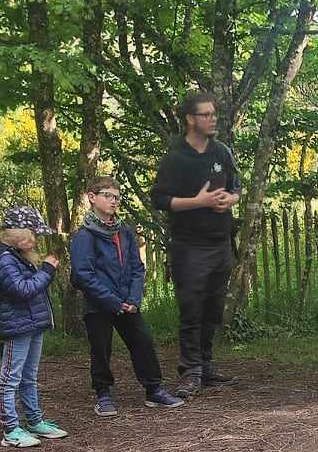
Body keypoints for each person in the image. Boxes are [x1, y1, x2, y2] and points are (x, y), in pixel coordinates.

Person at [150, 91, 241, 400]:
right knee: (191, 308)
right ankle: (190, 371)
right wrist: (197, 202)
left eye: (214, 114)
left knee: (213, 309)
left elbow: (235, 185)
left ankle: (205, 365)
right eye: (206, 114)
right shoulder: (176, 157)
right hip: (190, 245)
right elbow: (159, 199)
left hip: (220, 242)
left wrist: (231, 199)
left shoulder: (222, 152)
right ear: (190, 119)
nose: (212, 119)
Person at [70, 179, 184, 416]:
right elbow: (82, 275)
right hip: (99, 303)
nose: (114, 201)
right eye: (108, 195)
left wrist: (133, 298)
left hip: (127, 302)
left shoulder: (124, 231)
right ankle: (103, 395)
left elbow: (136, 267)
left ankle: (154, 390)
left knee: (142, 342)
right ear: (92, 197)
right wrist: (111, 301)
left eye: (117, 197)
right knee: (101, 349)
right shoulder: (85, 236)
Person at [0, 206, 69, 448]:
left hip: (32, 324)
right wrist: (47, 269)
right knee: (10, 378)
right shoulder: (4, 260)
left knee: (29, 376)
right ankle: (11, 429)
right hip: (17, 327)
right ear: (18, 234)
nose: (36, 239)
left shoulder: (16, 257)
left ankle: (35, 421)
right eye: (33, 233)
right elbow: (22, 291)